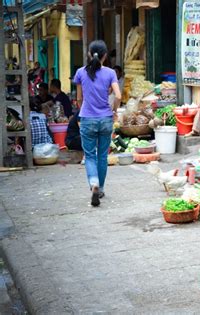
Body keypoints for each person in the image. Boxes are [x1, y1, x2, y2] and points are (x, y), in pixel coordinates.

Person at [73, 40, 121, 207]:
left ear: (89, 54)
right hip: (106, 119)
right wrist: (114, 110)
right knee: (102, 156)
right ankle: (100, 188)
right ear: (105, 56)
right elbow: (119, 95)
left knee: (90, 156)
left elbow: (79, 98)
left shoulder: (80, 72)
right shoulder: (110, 73)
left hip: (87, 119)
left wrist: (82, 110)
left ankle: (93, 183)